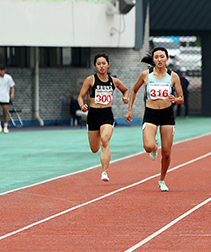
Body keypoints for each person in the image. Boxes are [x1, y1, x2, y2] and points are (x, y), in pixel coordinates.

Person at [125, 47, 185, 192]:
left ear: (167, 59)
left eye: (162, 57)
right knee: (148, 147)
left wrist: (175, 99)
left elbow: (181, 98)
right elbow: (133, 90)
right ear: (153, 59)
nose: (159, 59)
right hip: (150, 114)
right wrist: (130, 110)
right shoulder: (146, 75)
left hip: (167, 115)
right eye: (156, 57)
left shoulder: (173, 76)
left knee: (167, 152)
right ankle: (154, 145)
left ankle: (162, 179)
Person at [77, 53, 130, 182]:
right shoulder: (91, 80)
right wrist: (82, 105)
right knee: (95, 149)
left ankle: (104, 172)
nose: (101, 66)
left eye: (103, 63)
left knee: (105, 141)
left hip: (107, 115)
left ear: (108, 64)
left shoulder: (114, 81)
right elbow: (80, 96)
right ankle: (99, 141)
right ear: (96, 65)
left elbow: (126, 90)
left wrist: (125, 97)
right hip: (93, 115)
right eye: (98, 64)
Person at [0, 64, 15, 134]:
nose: (1, 72)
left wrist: (12, 93)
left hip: (5, 98)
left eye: (2, 70)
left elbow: (12, 86)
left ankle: (6, 127)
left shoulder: (8, 78)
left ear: (4, 70)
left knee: (5, 113)